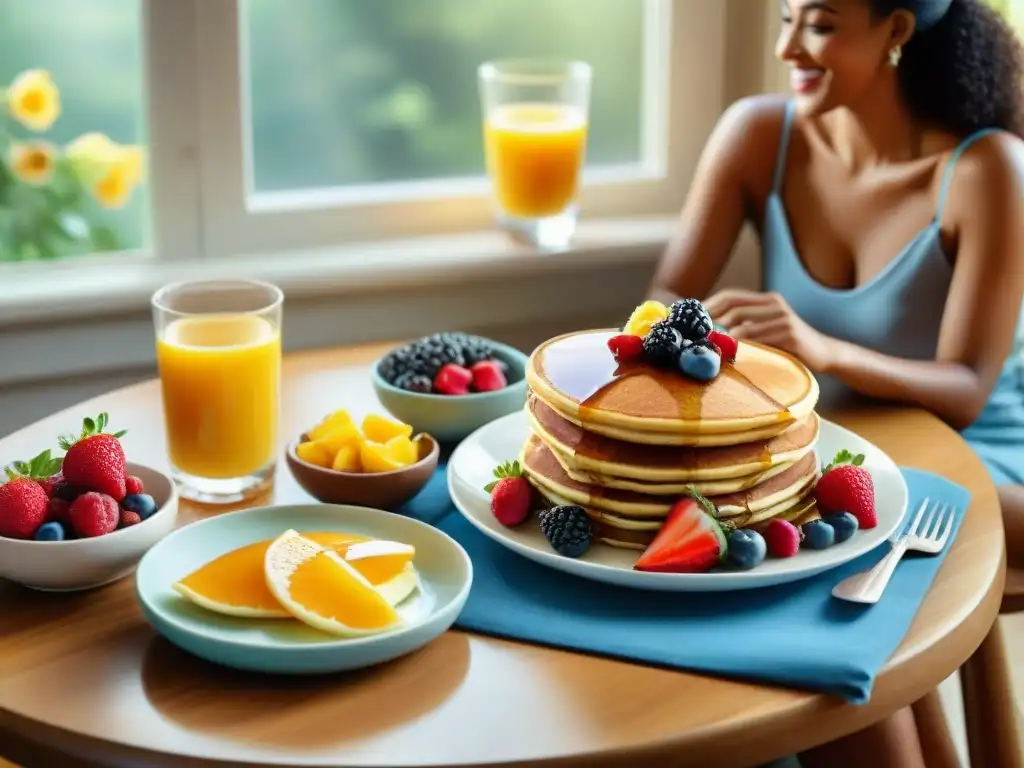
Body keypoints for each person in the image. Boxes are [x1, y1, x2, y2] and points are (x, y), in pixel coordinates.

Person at [648, 0, 1024, 765]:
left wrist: (825, 349)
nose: (788, 47)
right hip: (846, 447)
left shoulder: (986, 170)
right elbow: (664, 302)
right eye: (784, 17)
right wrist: (695, 349)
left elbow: (966, 388)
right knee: (816, 540)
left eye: (817, 25)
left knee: (836, 545)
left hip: (987, 453)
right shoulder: (759, 135)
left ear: (897, 31)